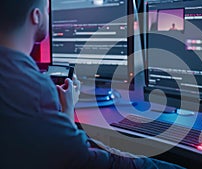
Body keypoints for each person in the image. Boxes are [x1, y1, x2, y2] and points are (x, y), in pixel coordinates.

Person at [0, 0, 185, 169]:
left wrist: (67, 109)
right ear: (36, 16)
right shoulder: (33, 88)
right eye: (47, 10)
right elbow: (80, 160)